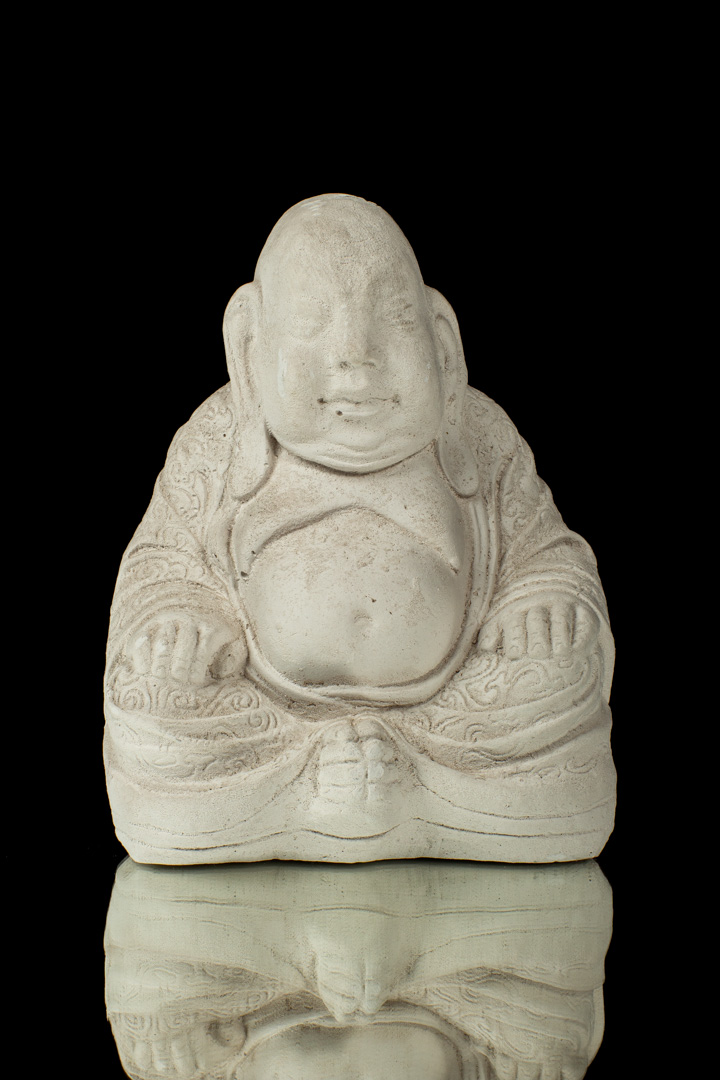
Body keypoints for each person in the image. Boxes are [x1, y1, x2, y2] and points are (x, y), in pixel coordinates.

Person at [104, 194, 615, 864]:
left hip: (454, 722)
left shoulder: (477, 431)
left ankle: (396, 797)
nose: (356, 358)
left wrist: (540, 601)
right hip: (267, 729)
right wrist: (178, 621)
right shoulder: (216, 441)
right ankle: (337, 799)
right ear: (249, 349)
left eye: (394, 319)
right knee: (155, 710)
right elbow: (163, 564)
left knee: (561, 680)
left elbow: (542, 549)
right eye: (312, 324)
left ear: (442, 340)